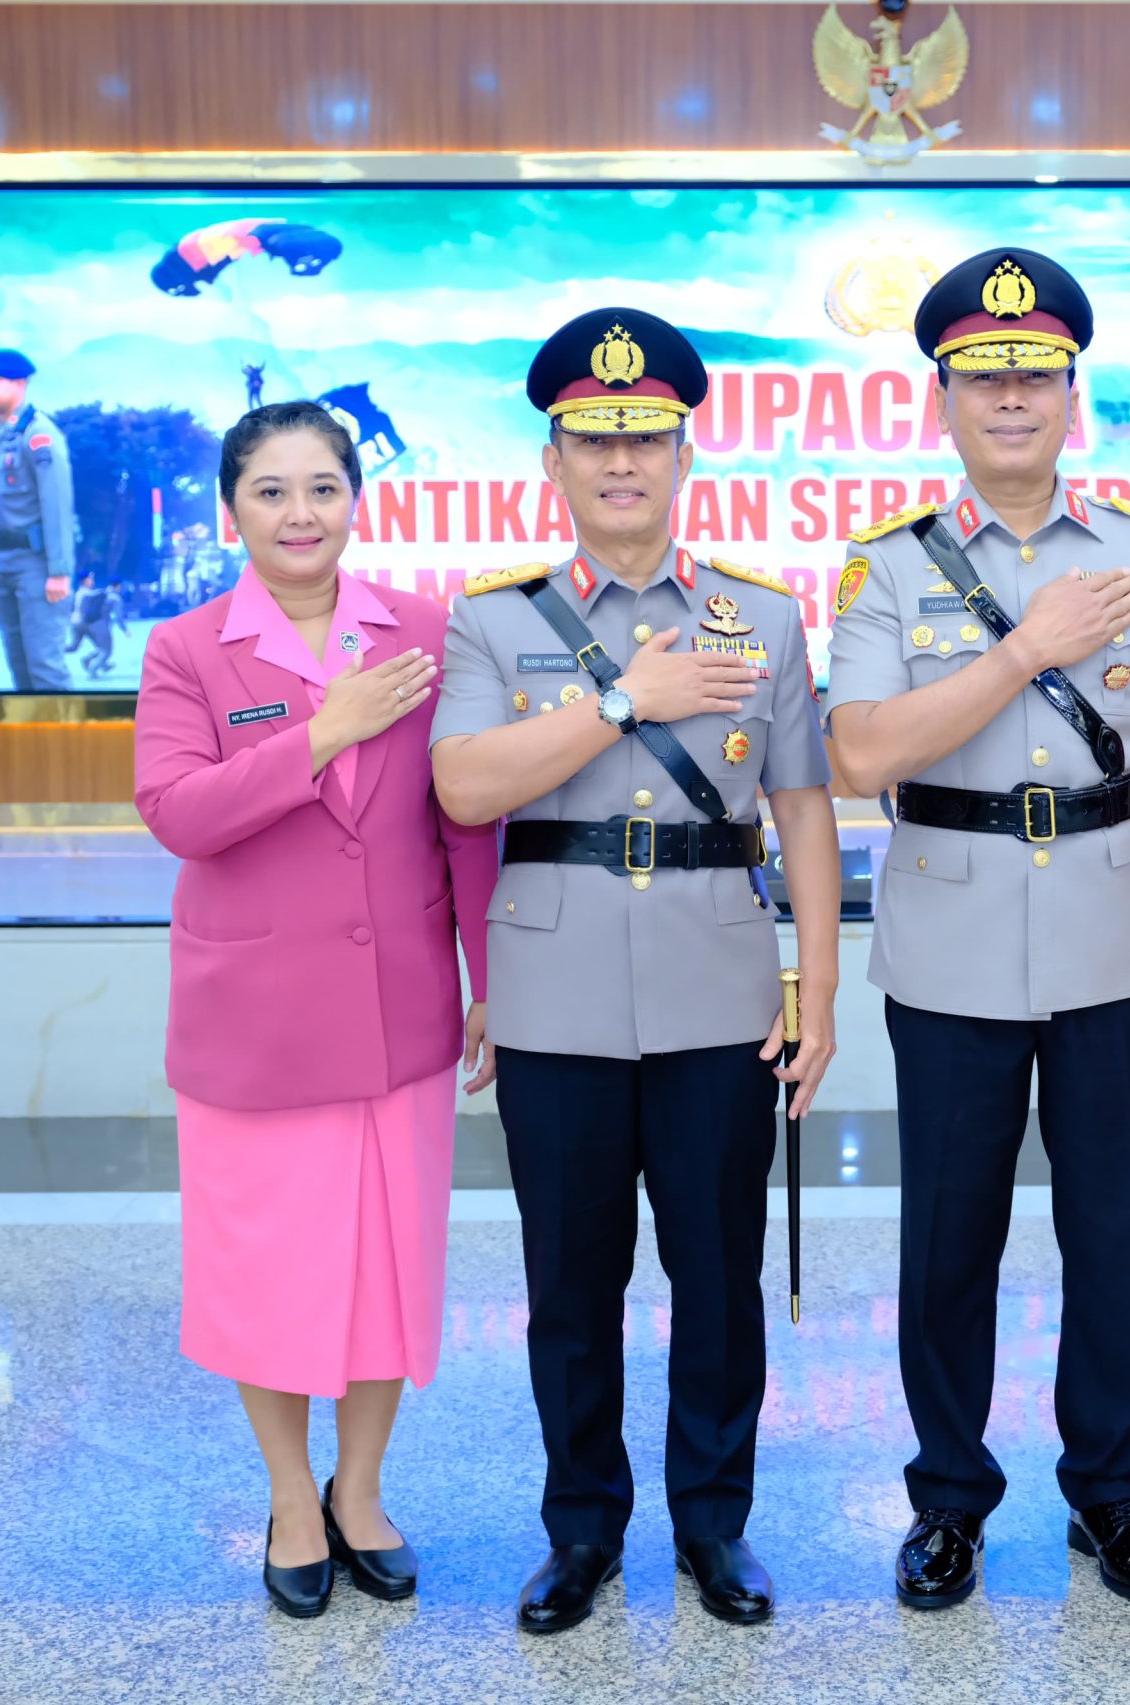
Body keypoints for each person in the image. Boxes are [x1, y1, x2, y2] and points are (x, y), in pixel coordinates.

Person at [822, 247, 1130, 1611]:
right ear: (939, 398)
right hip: (948, 944)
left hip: (1123, 938)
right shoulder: (888, 568)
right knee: (947, 1242)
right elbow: (857, 753)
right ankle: (948, 1500)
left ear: (1073, 395)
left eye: (1034, 373)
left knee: (1116, 1236)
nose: (1010, 395)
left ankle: (1111, 1493)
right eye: (982, 375)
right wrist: (1022, 649)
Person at [428, 307, 842, 1634]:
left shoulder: (757, 615)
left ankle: (715, 1524)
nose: (622, 463)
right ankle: (581, 1532)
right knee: (570, 1287)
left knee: (719, 1278)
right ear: (551, 461)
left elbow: (803, 809)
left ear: (683, 456)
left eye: (646, 439)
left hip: (719, 992)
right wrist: (620, 703)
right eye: (595, 441)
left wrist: (819, 989)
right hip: (552, 1000)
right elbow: (464, 785)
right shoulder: (491, 619)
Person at [132, 399, 497, 1620]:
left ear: (356, 498)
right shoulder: (187, 649)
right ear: (230, 509)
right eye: (272, 490)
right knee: (271, 1273)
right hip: (254, 1020)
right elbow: (180, 812)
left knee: (389, 1263)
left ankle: (363, 1491)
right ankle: (292, 1497)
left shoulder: (427, 632)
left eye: (323, 488)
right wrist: (323, 729)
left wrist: (488, 979)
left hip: (400, 1007)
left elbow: (467, 824)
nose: (301, 513)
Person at [0, 348, 77, 690]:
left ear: (19, 383)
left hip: (35, 564)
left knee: (45, 666)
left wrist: (59, 570)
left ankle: (63, 728)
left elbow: (56, 505)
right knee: (17, 664)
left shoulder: (39, 434)